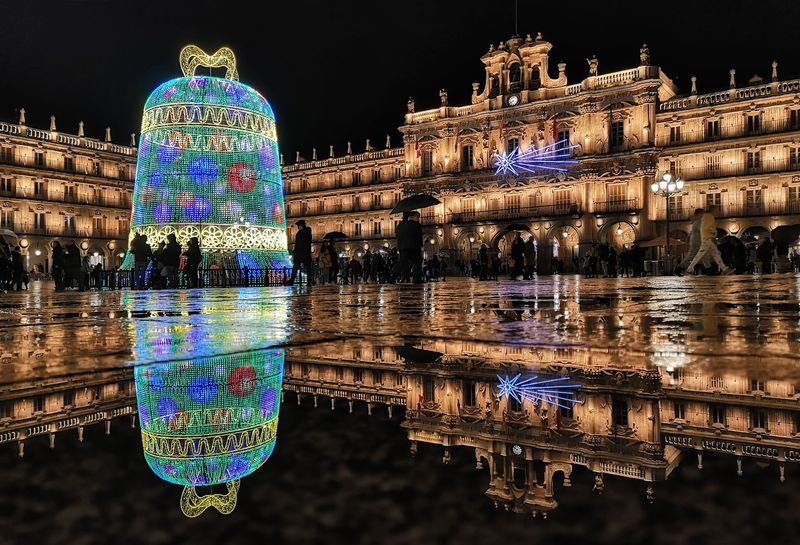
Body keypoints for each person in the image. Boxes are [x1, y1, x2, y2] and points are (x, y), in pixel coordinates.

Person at [685, 206, 733, 275]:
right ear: (713, 210)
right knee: (701, 255)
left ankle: (725, 269)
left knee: (715, 254)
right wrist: (713, 234)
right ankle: (689, 269)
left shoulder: (706, 216)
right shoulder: (709, 216)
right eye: (717, 210)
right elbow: (706, 228)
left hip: (706, 238)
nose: (717, 212)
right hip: (708, 238)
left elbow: (704, 228)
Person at [390, 211, 424, 283]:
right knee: (417, 263)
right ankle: (417, 279)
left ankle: (393, 274)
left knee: (402, 262)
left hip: (403, 247)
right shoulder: (417, 225)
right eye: (418, 217)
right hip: (414, 247)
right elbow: (419, 237)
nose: (418, 218)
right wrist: (420, 245)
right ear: (413, 217)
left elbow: (397, 236)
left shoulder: (400, 226)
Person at [675, 209, 703, 276]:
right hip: (696, 242)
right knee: (691, 256)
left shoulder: (698, 222)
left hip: (697, 241)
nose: (703, 215)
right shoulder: (698, 222)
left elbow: (691, 233)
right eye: (702, 213)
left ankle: (709, 269)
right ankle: (679, 267)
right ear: (698, 214)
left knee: (703, 256)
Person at [288, 220, 313, 285]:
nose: (298, 227)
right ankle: (292, 280)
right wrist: (295, 251)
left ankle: (309, 281)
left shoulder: (307, 231)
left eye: (299, 226)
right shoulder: (299, 233)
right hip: (299, 254)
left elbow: (307, 242)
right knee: (295, 266)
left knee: (308, 268)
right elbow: (297, 244)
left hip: (305, 253)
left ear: (302, 225)